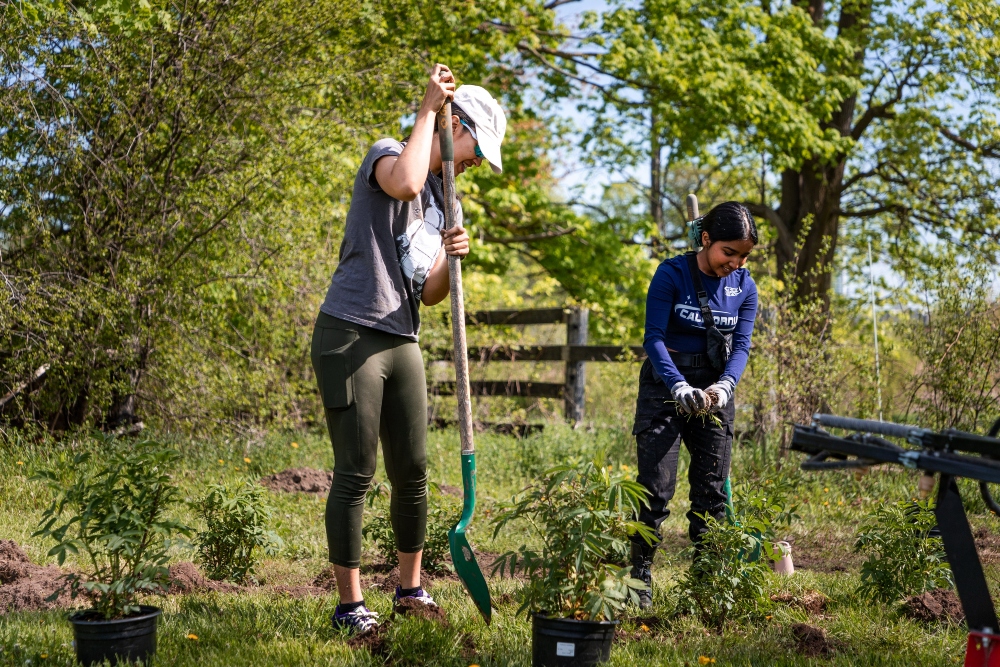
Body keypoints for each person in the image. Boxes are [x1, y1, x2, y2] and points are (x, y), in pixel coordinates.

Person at [310, 64, 507, 634]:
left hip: (403, 337)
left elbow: (431, 290)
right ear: (454, 126)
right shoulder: (388, 154)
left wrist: (454, 254)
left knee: (414, 471)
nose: (474, 164)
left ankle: (409, 590)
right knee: (356, 470)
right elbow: (405, 184)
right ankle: (350, 607)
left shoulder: (448, 203)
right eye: (475, 149)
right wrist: (427, 110)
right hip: (350, 331)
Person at [629, 201, 759, 609]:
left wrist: (724, 387)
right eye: (728, 252)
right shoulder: (671, 274)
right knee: (655, 490)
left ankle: (707, 582)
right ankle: (639, 579)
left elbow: (741, 345)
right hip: (665, 389)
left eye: (743, 256)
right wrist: (678, 386)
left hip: (715, 392)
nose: (735, 263)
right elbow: (653, 338)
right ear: (706, 240)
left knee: (711, 492)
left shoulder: (746, 287)